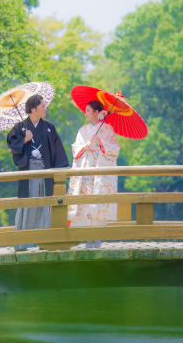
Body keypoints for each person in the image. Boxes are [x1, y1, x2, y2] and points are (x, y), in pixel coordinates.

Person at [7, 94, 69, 250]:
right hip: (28, 173)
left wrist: (59, 172)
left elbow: (58, 151)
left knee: (45, 204)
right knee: (28, 204)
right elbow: (11, 145)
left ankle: (44, 242)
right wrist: (24, 140)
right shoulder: (20, 128)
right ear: (33, 109)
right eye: (42, 106)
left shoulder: (49, 128)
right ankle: (23, 242)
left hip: (45, 171)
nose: (45, 108)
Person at [68, 100, 120, 247]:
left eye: (88, 110)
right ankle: (87, 238)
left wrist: (100, 142)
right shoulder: (82, 131)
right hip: (85, 173)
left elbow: (114, 149)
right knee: (84, 204)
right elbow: (75, 148)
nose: (85, 113)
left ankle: (97, 237)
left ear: (96, 112)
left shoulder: (107, 129)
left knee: (96, 202)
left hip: (99, 173)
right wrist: (86, 146)